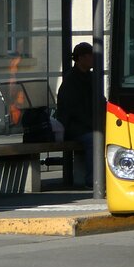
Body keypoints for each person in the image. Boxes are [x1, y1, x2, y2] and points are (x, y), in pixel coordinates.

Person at [55, 41, 97, 188]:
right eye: (90, 56)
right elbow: (71, 110)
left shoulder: (91, 77)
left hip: (87, 124)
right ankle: (93, 180)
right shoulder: (71, 80)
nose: (93, 59)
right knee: (95, 139)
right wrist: (94, 124)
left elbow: (100, 101)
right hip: (74, 127)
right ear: (80, 58)